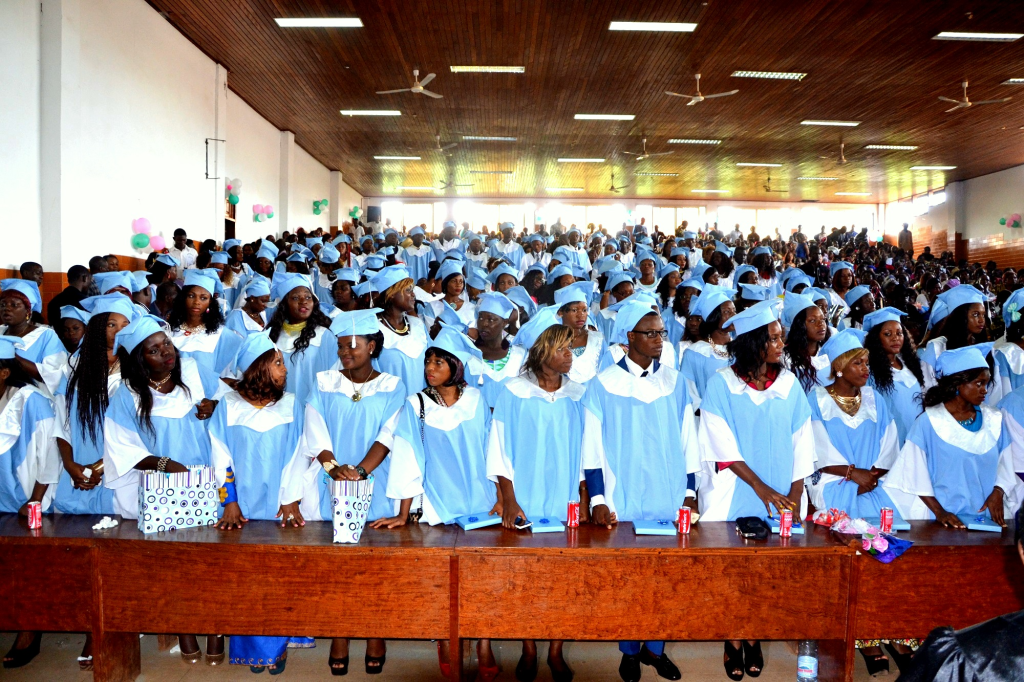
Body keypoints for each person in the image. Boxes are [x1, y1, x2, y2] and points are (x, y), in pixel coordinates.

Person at [280, 309, 404, 676]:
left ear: (372, 346)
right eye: (340, 346)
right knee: (336, 565)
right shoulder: (323, 382)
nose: (345, 352)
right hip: (330, 480)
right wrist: (335, 468)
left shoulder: (392, 385)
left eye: (353, 345)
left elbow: (389, 434)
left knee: (375, 565)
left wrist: (360, 471)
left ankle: (375, 632)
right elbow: (314, 428)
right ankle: (340, 632)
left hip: (375, 482)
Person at [580, 300, 698, 682]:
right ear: (630, 337)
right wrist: (598, 499)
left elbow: (689, 439)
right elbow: (592, 446)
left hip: (668, 493)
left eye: (661, 333)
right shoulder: (603, 385)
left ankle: (655, 650)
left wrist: (690, 492)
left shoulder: (675, 382)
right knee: (627, 579)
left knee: (667, 579)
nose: (659, 340)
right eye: (650, 333)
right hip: (623, 495)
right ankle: (629, 652)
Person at [698, 300, 815, 681]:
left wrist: (794, 495)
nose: (782, 344)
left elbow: (802, 441)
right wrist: (761, 488)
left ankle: (756, 634)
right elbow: (720, 443)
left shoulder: (789, 383)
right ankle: (733, 638)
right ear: (753, 343)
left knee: (769, 572)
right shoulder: (721, 384)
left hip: (782, 490)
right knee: (733, 569)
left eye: (781, 337)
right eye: (774, 338)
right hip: (738, 488)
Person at [101, 314, 217, 663]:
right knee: (171, 564)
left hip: (201, 482)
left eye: (166, 343)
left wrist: (212, 406)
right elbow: (122, 447)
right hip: (159, 489)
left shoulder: (192, 376)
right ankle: (183, 627)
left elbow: (226, 408)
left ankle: (215, 627)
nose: (166, 352)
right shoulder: (128, 395)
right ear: (140, 359)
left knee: (209, 561)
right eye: (153, 350)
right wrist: (165, 465)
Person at [384, 327, 498, 679]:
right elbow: (407, 454)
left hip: (480, 503)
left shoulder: (477, 399)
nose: (430, 368)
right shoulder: (416, 404)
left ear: (456, 366)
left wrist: (501, 498)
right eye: (427, 362)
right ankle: (446, 639)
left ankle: (483, 641)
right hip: (437, 505)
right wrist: (403, 513)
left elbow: (492, 448)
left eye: (438, 362)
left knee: (484, 579)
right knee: (440, 582)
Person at [804, 330, 909, 675]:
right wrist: (852, 474)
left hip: (873, 483)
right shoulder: (816, 400)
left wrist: (871, 476)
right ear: (839, 367)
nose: (866, 368)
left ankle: (892, 628)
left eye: (866, 362)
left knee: (889, 552)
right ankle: (864, 637)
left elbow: (889, 444)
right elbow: (814, 449)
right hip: (834, 484)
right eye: (858, 363)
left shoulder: (876, 399)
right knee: (853, 558)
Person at [487, 322, 583, 682]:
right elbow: (499, 447)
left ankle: (556, 650)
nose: (569, 355)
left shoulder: (577, 394)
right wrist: (509, 500)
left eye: (571, 349)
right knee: (524, 577)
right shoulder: (514, 392)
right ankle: (528, 647)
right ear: (542, 351)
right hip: (524, 499)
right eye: (562, 349)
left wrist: (585, 499)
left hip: (564, 498)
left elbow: (587, 449)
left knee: (563, 579)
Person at [210, 334, 304, 674]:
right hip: (242, 506)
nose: (284, 369)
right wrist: (229, 501)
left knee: (280, 574)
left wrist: (290, 498)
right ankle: (251, 649)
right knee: (245, 577)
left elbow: (298, 453)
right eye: (277, 363)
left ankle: (277, 647)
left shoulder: (291, 403)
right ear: (258, 367)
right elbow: (220, 455)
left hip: (280, 504)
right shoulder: (228, 405)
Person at [884, 344, 1023, 527]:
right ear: (958, 384)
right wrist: (940, 512)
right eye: (979, 383)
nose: (985, 390)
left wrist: (998, 491)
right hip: (942, 520)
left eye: (986, 383)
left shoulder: (994, 420)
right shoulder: (929, 422)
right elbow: (912, 473)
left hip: (986, 519)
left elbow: (1005, 465)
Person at [167, 270, 243, 398]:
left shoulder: (222, 335)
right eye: (191, 296)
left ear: (210, 302)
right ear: (183, 298)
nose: (197, 302)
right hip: (174, 399)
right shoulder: (168, 332)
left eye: (203, 298)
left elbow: (230, 375)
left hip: (207, 400)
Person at [264, 273, 335, 403]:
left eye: (308, 297)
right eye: (296, 298)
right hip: (278, 407)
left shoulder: (324, 336)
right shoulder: (271, 336)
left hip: (312, 407)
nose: (303, 302)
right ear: (284, 304)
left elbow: (334, 377)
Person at [864, 308, 925, 445]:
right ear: (876, 338)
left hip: (917, 435)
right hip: (891, 440)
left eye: (899, 333)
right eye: (887, 334)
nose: (895, 338)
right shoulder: (870, 373)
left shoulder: (909, 363)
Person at [0, 279, 68, 396]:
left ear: (28, 311)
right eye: (2, 305)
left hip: (31, 399)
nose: (7, 308)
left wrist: (12, 356)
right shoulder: (1, 332)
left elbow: (54, 375)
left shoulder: (46, 335)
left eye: (14, 305)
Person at [373, 266, 430, 397]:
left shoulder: (418, 325)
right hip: (389, 403)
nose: (413, 295)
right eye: (408, 290)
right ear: (392, 294)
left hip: (421, 403)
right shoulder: (374, 330)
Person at [920, 285, 988, 389]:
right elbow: (927, 386)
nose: (981, 320)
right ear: (961, 316)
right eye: (975, 314)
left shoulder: (981, 346)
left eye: (983, 314)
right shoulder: (936, 347)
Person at [679, 285, 736, 409]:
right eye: (727, 312)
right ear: (713, 317)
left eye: (734, 311)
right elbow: (688, 390)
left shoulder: (741, 349)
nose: (734, 315)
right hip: (707, 415)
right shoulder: (695, 352)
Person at [555, 284, 605, 384]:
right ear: (560, 312)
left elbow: (605, 370)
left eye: (584, 310)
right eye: (574, 310)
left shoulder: (597, 339)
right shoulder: (553, 340)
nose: (581, 315)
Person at [782, 292, 831, 393]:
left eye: (822, 319)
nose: (821, 324)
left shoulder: (829, 352)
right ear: (799, 326)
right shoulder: (786, 358)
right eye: (812, 321)